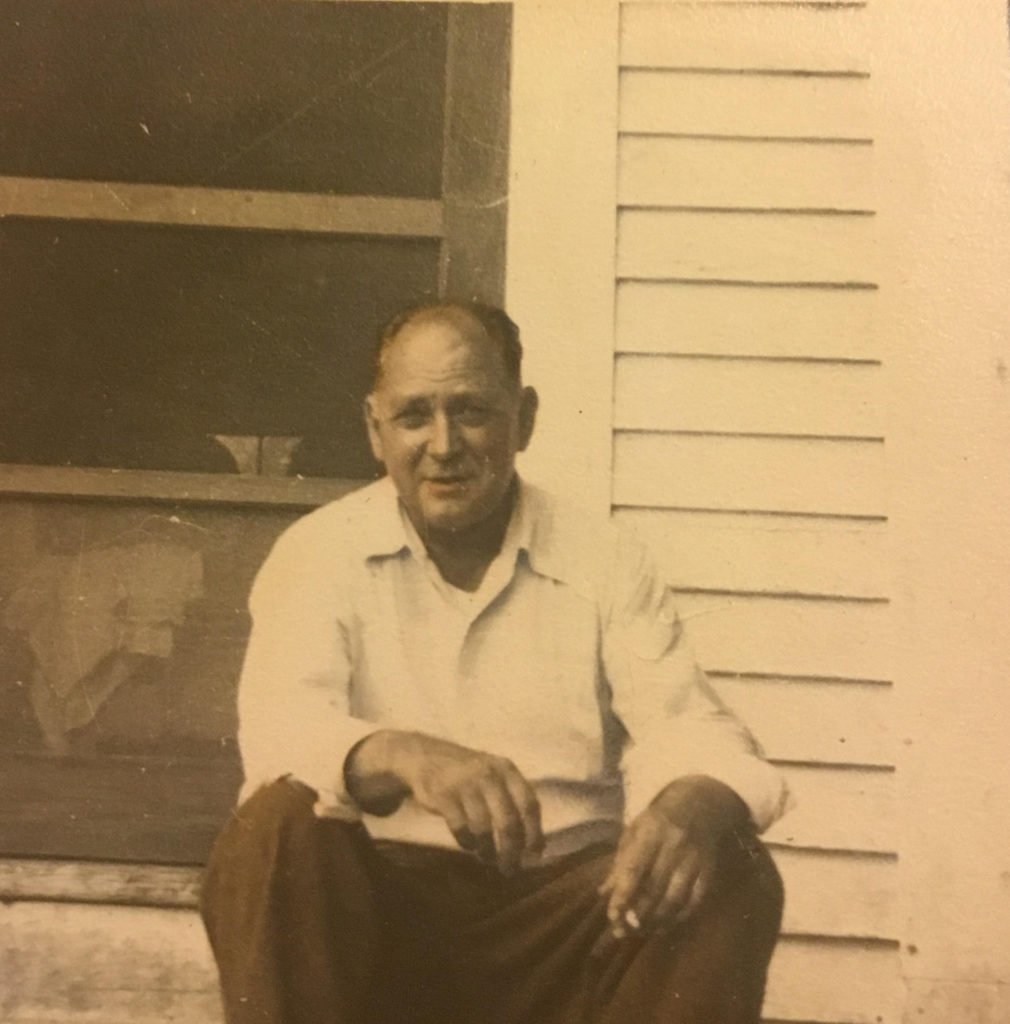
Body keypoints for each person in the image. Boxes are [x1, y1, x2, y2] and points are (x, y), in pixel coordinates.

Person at [200, 301, 789, 1024]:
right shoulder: (318, 552)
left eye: (472, 411)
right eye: (414, 416)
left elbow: (687, 723)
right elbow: (279, 736)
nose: (444, 445)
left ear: (525, 418)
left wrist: (695, 798)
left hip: (558, 924)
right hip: (373, 930)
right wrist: (403, 754)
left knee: (725, 859)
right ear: (375, 430)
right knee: (274, 827)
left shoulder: (603, 557)